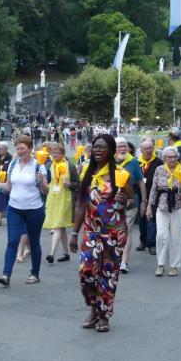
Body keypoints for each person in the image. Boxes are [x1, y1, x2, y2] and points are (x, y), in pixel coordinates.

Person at [69, 134, 134, 332]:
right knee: (86, 271)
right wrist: (74, 233)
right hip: (91, 231)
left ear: (111, 150)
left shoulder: (120, 174)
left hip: (114, 232)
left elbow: (132, 201)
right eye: (95, 147)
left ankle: (103, 315)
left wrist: (125, 201)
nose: (97, 151)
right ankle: (94, 307)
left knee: (108, 274)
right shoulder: (87, 173)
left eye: (102, 148)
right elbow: (81, 204)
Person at [0, 134, 49, 285]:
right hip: (15, 208)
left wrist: (41, 182)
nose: (19, 151)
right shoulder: (12, 165)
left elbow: (45, 191)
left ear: (30, 149)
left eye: (23, 148)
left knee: (34, 241)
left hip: (34, 209)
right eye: (17, 148)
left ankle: (35, 273)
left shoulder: (39, 165)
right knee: (12, 241)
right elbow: (8, 187)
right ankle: (6, 275)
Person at [147, 146, 181, 277]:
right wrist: (149, 205)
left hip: (178, 206)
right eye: (169, 157)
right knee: (161, 235)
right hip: (162, 206)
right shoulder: (159, 170)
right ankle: (160, 265)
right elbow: (154, 189)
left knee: (175, 237)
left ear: (177, 157)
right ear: (164, 158)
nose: (172, 159)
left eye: (174, 157)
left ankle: (174, 266)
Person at [43, 143, 79, 263]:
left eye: (57, 152)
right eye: (53, 152)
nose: (55, 154)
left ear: (63, 153)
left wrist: (70, 184)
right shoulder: (49, 165)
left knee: (57, 226)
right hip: (53, 198)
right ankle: (66, 253)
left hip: (65, 199)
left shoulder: (70, 166)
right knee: (61, 226)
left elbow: (78, 183)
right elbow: (46, 181)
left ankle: (51, 253)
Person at [115, 137, 146, 274]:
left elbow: (140, 182)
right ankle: (115, 257)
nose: (122, 149)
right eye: (119, 146)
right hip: (112, 200)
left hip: (130, 200)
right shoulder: (109, 161)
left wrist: (144, 201)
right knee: (114, 231)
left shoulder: (133, 162)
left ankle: (124, 261)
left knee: (127, 230)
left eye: (124, 146)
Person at [136, 140, 163, 255]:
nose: (148, 150)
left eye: (150, 148)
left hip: (154, 196)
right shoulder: (137, 163)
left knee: (151, 219)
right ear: (141, 150)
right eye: (146, 148)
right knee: (141, 219)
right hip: (140, 195)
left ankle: (152, 244)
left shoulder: (159, 162)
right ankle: (143, 241)